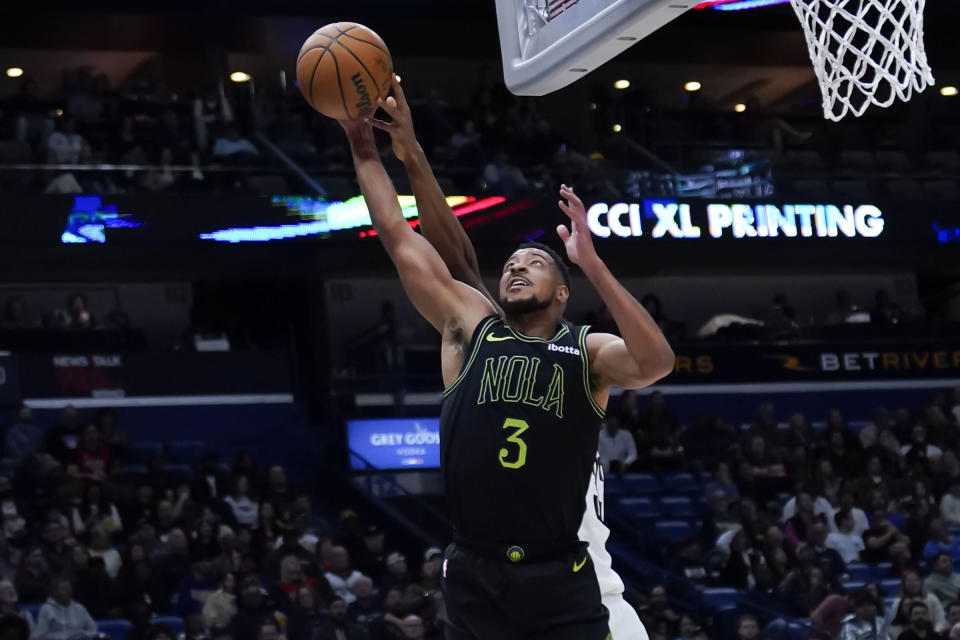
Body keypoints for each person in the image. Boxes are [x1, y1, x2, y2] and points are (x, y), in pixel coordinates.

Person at [360, 74, 673, 640]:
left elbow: (654, 364)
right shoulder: (474, 331)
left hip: (580, 580)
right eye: (510, 263)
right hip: (480, 570)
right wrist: (383, 148)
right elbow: (431, 248)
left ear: (562, 291)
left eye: (535, 262)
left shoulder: (583, 350)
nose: (515, 266)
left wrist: (592, 262)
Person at [32, 576, 97, 640]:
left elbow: (93, 629)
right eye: (64, 589)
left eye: (69, 588)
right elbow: (39, 635)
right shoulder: (46, 609)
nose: (68, 591)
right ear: (55, 592)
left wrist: (81, 634)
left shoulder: (79, 608)